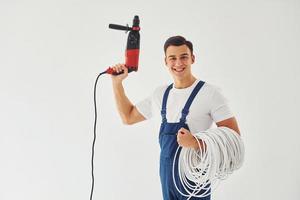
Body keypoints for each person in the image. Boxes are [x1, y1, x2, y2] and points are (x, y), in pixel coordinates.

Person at [110, 35, 240, 200]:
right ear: (165, 61)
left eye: (184, 57)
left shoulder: (210, 94)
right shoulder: (160, 94)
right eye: (172, 58)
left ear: (192, 58)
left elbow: (234, 139)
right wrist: (117, 83)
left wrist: (195, 143)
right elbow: (128, 117)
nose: (178, 63)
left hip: (195, 179)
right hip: (167, 178)